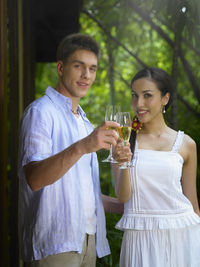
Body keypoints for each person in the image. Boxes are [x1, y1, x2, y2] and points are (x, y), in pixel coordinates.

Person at [18, 33, 123, 267]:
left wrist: (127, 206)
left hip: (87, 242)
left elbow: (83, 193)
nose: (87, 75)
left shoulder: (85, 123)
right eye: (79, 66)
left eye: (93, 69)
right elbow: (34, 178)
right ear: (60, 67)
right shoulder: (40, 112)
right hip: (55, 244)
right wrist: (84, 146)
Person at [112, 67, 200, 267]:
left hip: (182, 238)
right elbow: (123, 197)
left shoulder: (186, 144)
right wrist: (123, 162)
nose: (139, 104)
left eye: (147, 95)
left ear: (165, 99)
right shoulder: (122, 140)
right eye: (135, 95)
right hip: (139, 239)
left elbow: (193, 205)